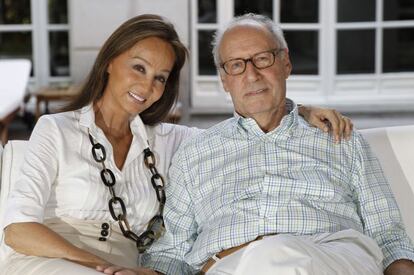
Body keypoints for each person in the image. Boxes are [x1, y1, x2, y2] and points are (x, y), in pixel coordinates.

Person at [0, 14, 351, 275]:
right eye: (138, 68)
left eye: (160, 78)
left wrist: (297, 110)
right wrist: (98, 266)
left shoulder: (170, 141)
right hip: (53, 261)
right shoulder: (56, 129)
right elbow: (18, 229)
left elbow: (244, 133)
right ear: (109, 62)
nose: (147, 85)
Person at [98, 13, 414, 275]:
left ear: (285, 63)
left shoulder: (341, 139)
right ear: (224, 79)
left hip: (332, 257)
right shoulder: (195, 151)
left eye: (262, 59)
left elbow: (389, 236)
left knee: (275, 255)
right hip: (228, 266)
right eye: (236, 65)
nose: (251, 75)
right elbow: (171, 250)